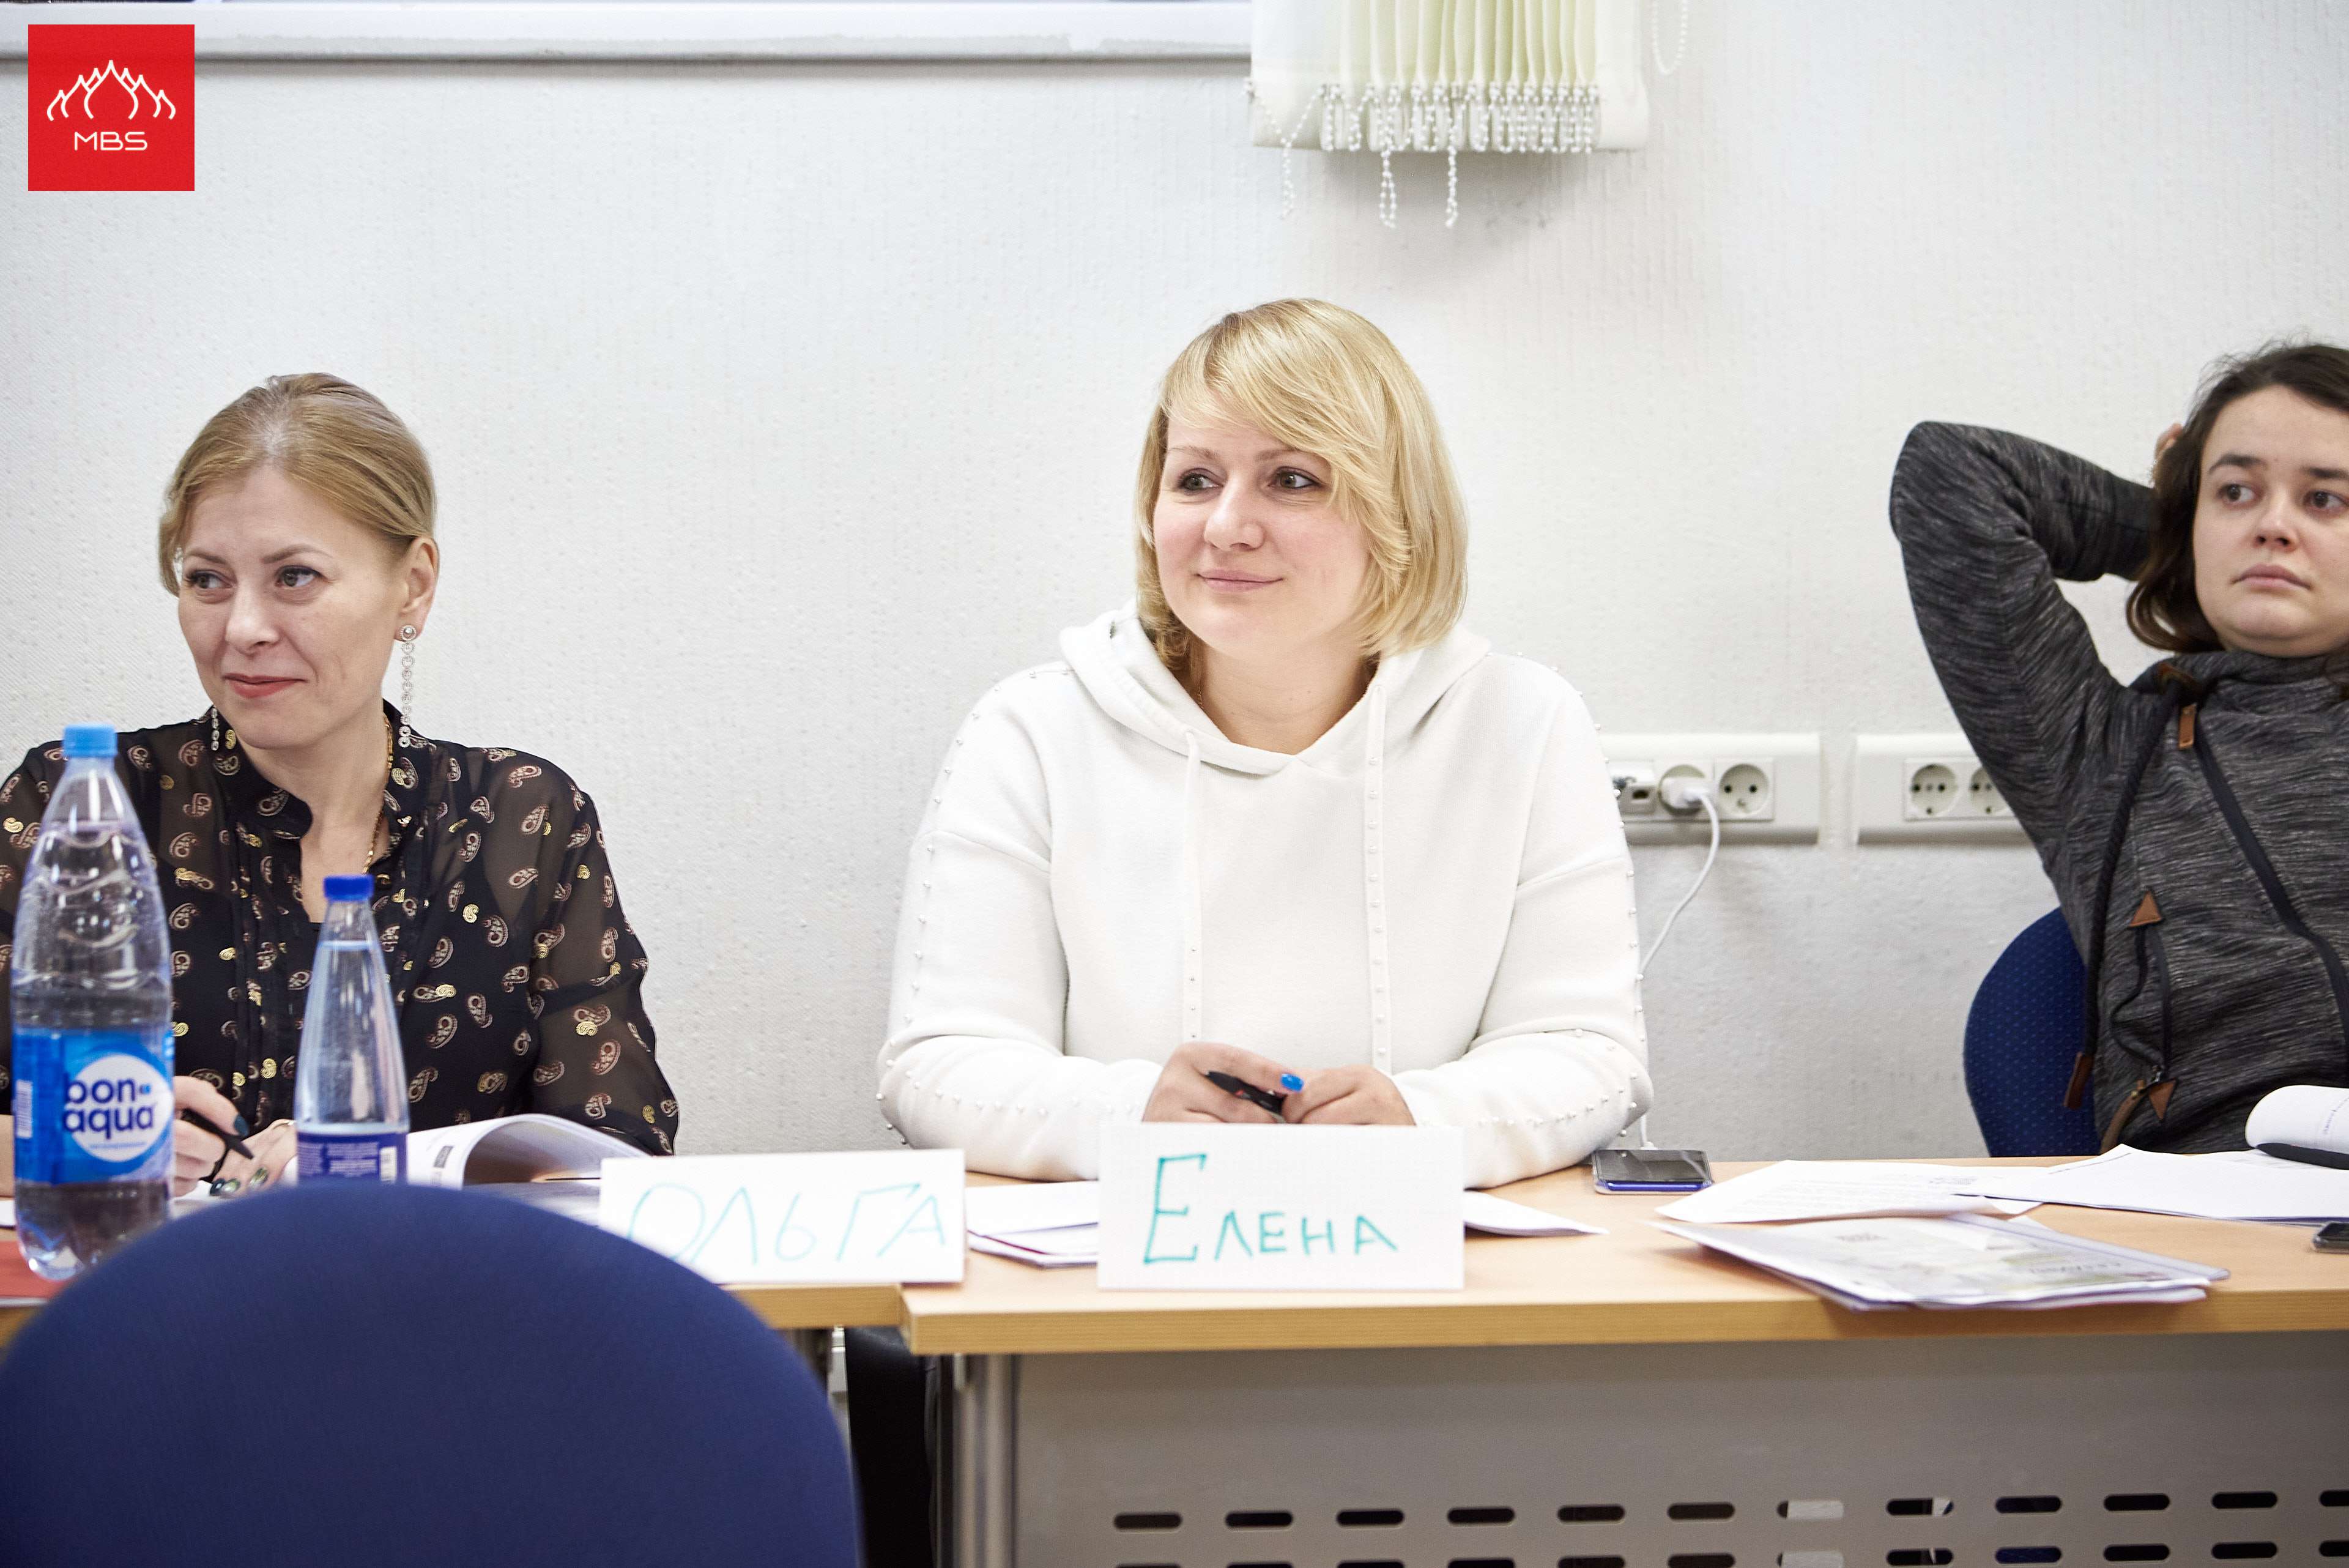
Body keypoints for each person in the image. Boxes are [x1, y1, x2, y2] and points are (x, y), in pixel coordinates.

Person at [877, 299, 1652, 1188]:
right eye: (1195, 480)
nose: (1226, 526)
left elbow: (1588, 1050)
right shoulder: (1034, 729)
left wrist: (1424, 1121)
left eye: (1292, 479)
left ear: (1398, 514)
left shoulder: (1524, 723)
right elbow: (937, 1063)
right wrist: (1128, 1115)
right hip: (1123, 1259)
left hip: (1436, 1252)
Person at [0, 373, 676, 1199]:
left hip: (435, 1279)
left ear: (413, 585)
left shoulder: (521, 818)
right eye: (207, 579)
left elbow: (621, 1156)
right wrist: (79, 1142)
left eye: (294, 577)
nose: (243, 628)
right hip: (151, 1282)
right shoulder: (81, 806)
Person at [1891, 342, 2349, 1153]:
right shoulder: (2096, 751)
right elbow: (1950, 474)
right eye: (2236, 491)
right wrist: (2177, 532)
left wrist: (2213, 521)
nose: (2273, 526)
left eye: (2325, 500)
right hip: (2211, 1195)